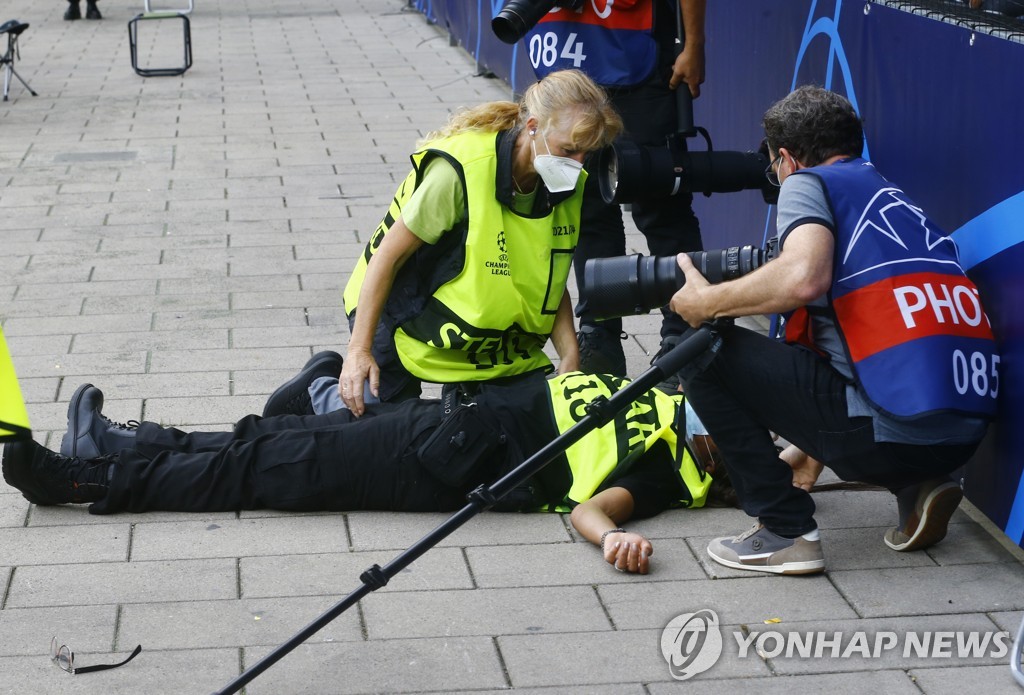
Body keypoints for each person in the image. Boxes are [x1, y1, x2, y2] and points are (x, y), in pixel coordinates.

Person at [668, 85, 999, 575]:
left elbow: (803, 277)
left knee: (696, 349)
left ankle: (785, 530)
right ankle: (922, 486)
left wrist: (706, 302)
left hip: (890, 436)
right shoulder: (889, 194)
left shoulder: (809, 182)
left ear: (786, 158)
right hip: (961, 434)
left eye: (774, 167)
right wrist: (808, 446)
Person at [3, 362, 733, 575]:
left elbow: (591, 509)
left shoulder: (675, 467)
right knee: (269, 434)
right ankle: (119, 443)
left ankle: (80, 480)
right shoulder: (669, 399)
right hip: (446, 420)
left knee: (263, 468)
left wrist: (614, 539)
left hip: (442, 462)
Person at [289, 69, 623, 420]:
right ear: (534, 127)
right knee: (385, 430)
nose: (578, 164)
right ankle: (318, 392)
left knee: (511, 428)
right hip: (401, 305)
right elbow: (387, 258)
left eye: (587, 153)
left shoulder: (566, 183)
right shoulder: (462, 171)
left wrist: (570, 357)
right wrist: (359, 349)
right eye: (569, 150)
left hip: (477, 331)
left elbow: (549, 280)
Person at [525, 0, 707, 379]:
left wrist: (694, 44)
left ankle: (682, 334)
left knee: (661, 203)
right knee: (584, 208)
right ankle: (600, 336)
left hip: (640, 57)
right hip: (565, 53)